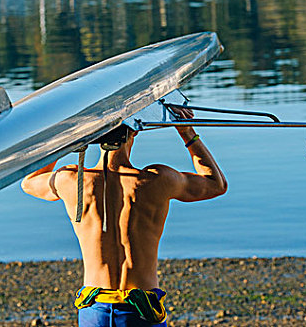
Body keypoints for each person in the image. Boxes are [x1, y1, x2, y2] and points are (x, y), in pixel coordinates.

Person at [21, 107, 227, 326]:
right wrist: (187, 133)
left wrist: (63, 138)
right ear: (134, 133)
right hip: (140, 309)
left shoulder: (71, 180)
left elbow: (29, 182)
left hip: (95, 309)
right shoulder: (156, 180)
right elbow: (216, 184)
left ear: (94, 137)